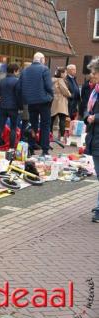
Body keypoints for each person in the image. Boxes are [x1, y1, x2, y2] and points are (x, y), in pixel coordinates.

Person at [17, 52, 54, 156]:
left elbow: (19, 87)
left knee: (33, 125)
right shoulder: (44, 69)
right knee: (45, 125)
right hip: (44, 102)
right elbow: (49, 86)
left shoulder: (25, 71)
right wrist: (51, 97)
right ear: (42, 60)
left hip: (30, 102)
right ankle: (45, 150)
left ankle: (31, 147)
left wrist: (23, 100)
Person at [83, 58, 99, 222]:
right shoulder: (94, 91)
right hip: (94, 139)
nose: (91, 75)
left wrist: (96, 117)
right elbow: (86, 110)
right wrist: (88, 116)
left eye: (94, 72)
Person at [0, 63, 20, 150]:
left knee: (0, 127)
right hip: (13, 107)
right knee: (13, 128)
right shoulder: (17, 81)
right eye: (18, 71)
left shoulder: (2, 81)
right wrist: (20, 106)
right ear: (14, 71)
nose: (18, 73)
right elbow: (19, 95)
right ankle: (11, 148)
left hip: (2, 106)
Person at [50, 67, 71, 142]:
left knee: (51, 119)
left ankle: (50, 135)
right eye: (65, 73)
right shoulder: (61, 80)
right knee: (62, 119)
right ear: (61, 73)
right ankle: (61, 137)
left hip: (53, 100)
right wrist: (69, 94)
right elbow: (64, 90)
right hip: (61, 100)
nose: (66, 74)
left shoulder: (52, 79)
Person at [20, 62, 32, 141]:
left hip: (24, 103)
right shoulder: (26, 77)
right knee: (25, 122)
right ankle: (23, 139)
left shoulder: (21, 76)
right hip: (25, 103)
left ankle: (24, 139)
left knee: (25, 122)